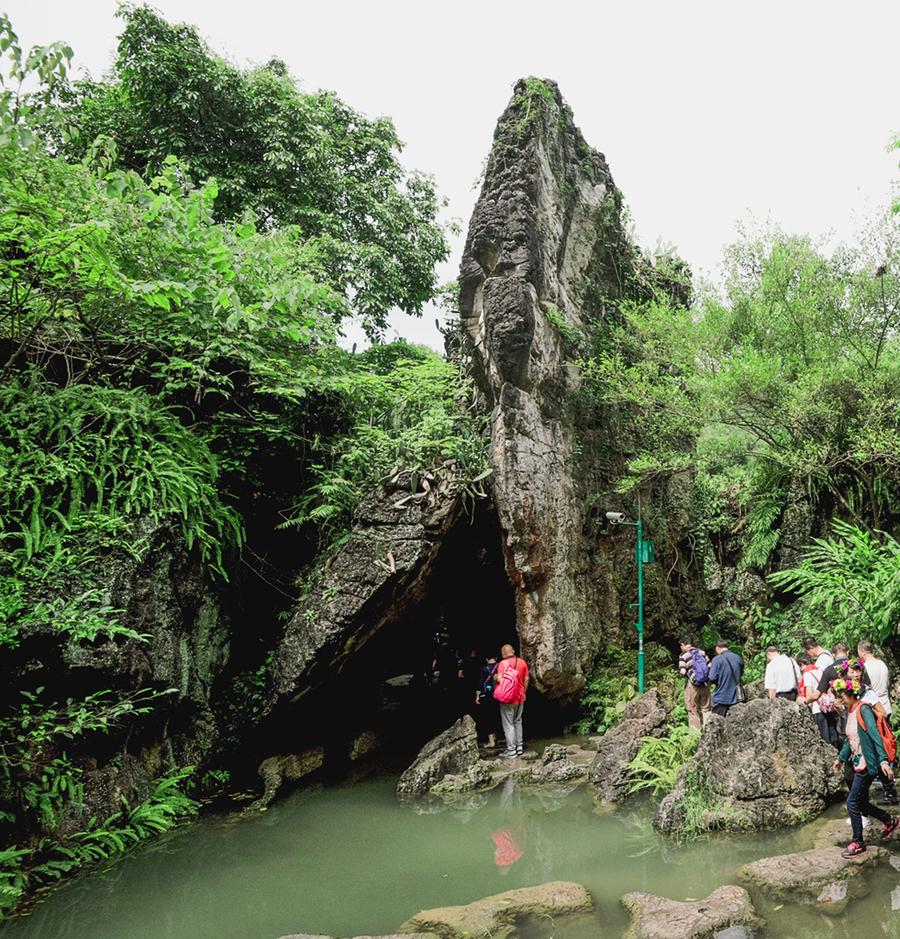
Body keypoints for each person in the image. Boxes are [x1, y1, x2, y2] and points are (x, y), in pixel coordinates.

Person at [831, 676, 899, 857]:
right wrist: (840, 758)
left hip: (868, 763)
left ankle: (858, 842)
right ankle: (889, 820)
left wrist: (883, 760)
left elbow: (876, 736)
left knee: (852, 802)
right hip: (857, 763)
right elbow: (850, 739)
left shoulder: (864, 710)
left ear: (852, 694)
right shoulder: (850, 711)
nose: (840, 699)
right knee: (860, 802)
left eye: (842, 695)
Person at [494, 644, 529, 758]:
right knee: (518, 721)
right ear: (513, 651)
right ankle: (519, 747)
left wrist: (495, 677)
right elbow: (527, 678)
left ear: (503, 654)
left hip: (508, 699)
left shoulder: (503, 664)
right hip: (520, 698)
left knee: (508, 724)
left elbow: (500, 679)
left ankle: (511, 751)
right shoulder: (522, 662)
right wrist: (523, 691)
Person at [797, 652, 837, 747]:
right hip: (828, 707)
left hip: (817, 708)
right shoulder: (821, 670)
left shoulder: (807, 674)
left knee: (824, 738)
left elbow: (809, 694)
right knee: (833, 735)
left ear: (802, 664)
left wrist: (804, 701)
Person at [678, 638, 712, 729]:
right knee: (706, 709)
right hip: (704, 684)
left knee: (692, 710)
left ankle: (695, 735)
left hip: (693, 686)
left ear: (683, 645)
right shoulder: (702, 653)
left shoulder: (683, 655)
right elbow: (709, 666)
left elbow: (683, 671)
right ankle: (709, 731)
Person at [708, 639, 744, 717]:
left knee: (717, 724)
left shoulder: (717, 659)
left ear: (717, 648)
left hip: (721, 698)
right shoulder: (738, 658)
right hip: (736, 697)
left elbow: (712, 677)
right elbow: (741, 673)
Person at [475, 654, 500, 748]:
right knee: (497, 715)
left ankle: (491, 741)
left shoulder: (484, 669)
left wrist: (477, 696)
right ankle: (496, 737)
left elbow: (480, 683)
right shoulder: (500, 667)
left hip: (487, 695)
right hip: (499, 695)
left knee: (488, 716)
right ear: (496, 658)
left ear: (486, 659)